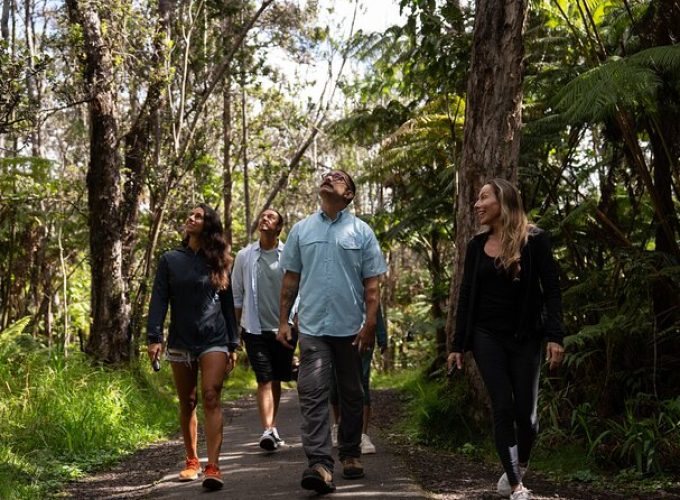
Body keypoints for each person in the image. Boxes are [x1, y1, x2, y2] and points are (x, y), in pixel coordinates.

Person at [447, 178, 565, 500]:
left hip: (526, 337)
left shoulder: (535, 241)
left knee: (527, 416)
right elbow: (466, 295)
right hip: (487, 337)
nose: (477, 204)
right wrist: (458, 345)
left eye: (484, 197)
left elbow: (552, 290)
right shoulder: (475, 247)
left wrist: (555, 336)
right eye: (477, 198)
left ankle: (520, 462)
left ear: (504, 202)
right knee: (502, 407)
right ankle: (517, 486)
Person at [277, 170, 387, 494]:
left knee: (352, 393)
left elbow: (372, 285)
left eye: (337, 178)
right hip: (312, 326)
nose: (328, 178)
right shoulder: (301, 230)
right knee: (311, 393)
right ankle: (321, 464)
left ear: (349, 194)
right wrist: (283, 321)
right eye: (326, 176)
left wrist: (369, 325)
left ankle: (350, 452)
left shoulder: (362, 232)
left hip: (350, 328)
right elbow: (290, 281)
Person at [147, 204, 239, 491]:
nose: (191, 218)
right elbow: (159, 299)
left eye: (198, 216)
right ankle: (192, 461)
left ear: (208, 224)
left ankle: (213, 466)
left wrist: (233, 343)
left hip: (215, 338)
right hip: (180, 340)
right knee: (188, 402)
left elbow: (227, 303)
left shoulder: (220, 260)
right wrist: (154, 337)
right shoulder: (170, 260)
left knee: (211, 395)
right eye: (190, 214)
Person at [232, 208, 297, 451]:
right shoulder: (244, 256)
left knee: (277, 377)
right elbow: (237, 295)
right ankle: (267, 429)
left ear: (279, 228)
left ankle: (273, 426)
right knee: (264, 379)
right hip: (254, 328)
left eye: (271, 217)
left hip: (284, 328)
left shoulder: (289, 254)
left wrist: (293, 319)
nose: (264, 219)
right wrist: (235, 331)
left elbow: (298, 289)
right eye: (263, 216)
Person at [330, 305, 388, 454]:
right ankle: (337, 425)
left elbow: (375, 304)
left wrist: (382, 336)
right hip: (336, 333)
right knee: (336, 383)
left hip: (364, 334)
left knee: (362, 382)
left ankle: (363, 434)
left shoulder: (366, 281)